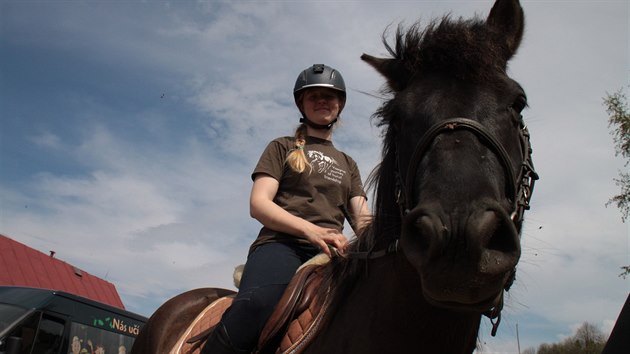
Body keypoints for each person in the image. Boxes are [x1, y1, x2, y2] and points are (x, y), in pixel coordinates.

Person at [201, 64, 370, 354]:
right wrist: (311, 230)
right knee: (256, 305)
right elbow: (259, 204)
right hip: (282, 245)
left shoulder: (348, 163)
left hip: (331, 254)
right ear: (301, 104)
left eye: (329, 96)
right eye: (313, 96)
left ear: (340, 104)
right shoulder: (282, 147)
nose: (322, 101)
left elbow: (363, 221)